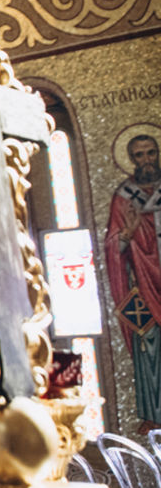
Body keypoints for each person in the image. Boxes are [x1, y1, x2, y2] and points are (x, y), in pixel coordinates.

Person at [107, 133, 161, 426]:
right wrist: (128, 232)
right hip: (143, 285)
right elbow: (113, 246)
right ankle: (154, 416)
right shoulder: (124, 196)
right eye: (139, 155)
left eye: (151, 153)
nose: (146, 160)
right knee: (149, 347)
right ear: (132, 160)